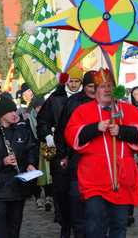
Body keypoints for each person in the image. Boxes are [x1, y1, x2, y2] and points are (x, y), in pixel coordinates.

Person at [64, 68, 138, 238]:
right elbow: (71, 135)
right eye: (102, 86)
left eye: (109, 86)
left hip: (121, 179)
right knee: (95, 223)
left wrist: (121, 131)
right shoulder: (83, 111)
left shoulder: (128, 110)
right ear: (95, 91)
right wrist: (95, 128)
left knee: (119, 225)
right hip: (94, 179)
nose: (106, 90)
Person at [0, 97, 39, 238]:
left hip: (18, 187)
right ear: (2, 114)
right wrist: (1, 161)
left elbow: (32, 148)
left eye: (15, 111)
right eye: (10, 111)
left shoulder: (22, 130)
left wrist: (30, 163)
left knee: (15, 225)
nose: (14, 114)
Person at [37, 67, 83, 238]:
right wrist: (47, 135)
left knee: (78, 189)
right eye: (70, 81)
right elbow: (42, 121)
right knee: (61, 190)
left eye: (76, 81)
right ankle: (64, 223)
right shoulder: (55, 98)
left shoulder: (85, 99)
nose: (73, 84)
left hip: (79, 150)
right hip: (59, 149)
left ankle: (79, 223)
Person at [56, 70, 96, 238]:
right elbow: (63, 130)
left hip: (99, 159)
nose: (93, 90)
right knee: (76, 199)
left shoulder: (106, 101)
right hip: (77, 157)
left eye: (96, 86)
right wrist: (64, 154)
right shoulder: (73, 102)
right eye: (89, 86)